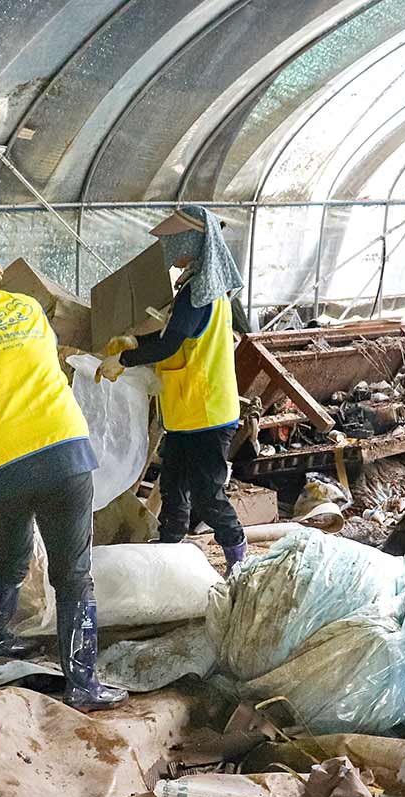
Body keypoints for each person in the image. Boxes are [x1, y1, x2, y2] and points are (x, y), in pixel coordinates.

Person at [0, 239, 126, 712]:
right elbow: (37, 365)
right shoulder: (28, 307)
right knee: (73, 574)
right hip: (62, 450)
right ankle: (84, 684)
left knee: (11, 554)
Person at [98, 205, 247, 574]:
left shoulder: (198, 292)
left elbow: (169, 345)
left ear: (192, 242)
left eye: (172, 241)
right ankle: (169, 551)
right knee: (173, 486)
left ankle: (238, 556)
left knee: (207, 495)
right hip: (187, 410)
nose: (167, 249)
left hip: (207, 413)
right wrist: (134, 339)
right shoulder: (199, 285)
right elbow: (170, 333)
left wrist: (124, 361)